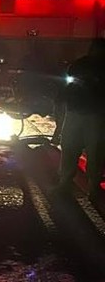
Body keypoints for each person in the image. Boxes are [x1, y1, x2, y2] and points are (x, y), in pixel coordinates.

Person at [52, 38, 105, 208]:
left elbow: (66, 87)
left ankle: (74, 184)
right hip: (89, 114)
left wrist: (60, 105)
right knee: (90, 151)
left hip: (84, 113)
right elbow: (67, 87)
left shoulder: (80, 65)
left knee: (77, 149)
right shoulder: (80, 65)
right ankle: (87, 186)